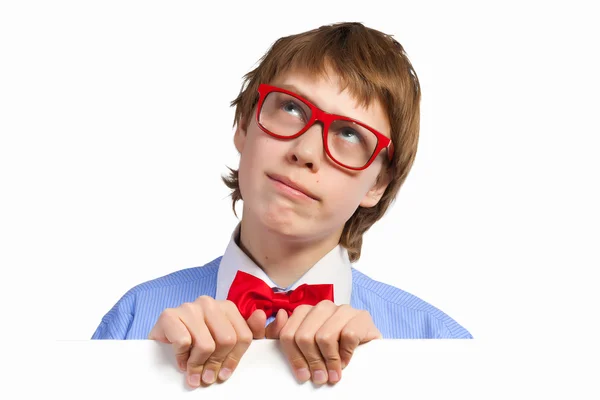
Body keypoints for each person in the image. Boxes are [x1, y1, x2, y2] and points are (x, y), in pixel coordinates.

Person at [91, 21, 472, 388]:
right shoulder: (134, 319)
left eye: (350, 133)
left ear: (379, 183)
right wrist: (139, 379)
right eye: (291, 108)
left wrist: (392, 382)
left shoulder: (442, 344)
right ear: (244, 124)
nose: (305, 151)